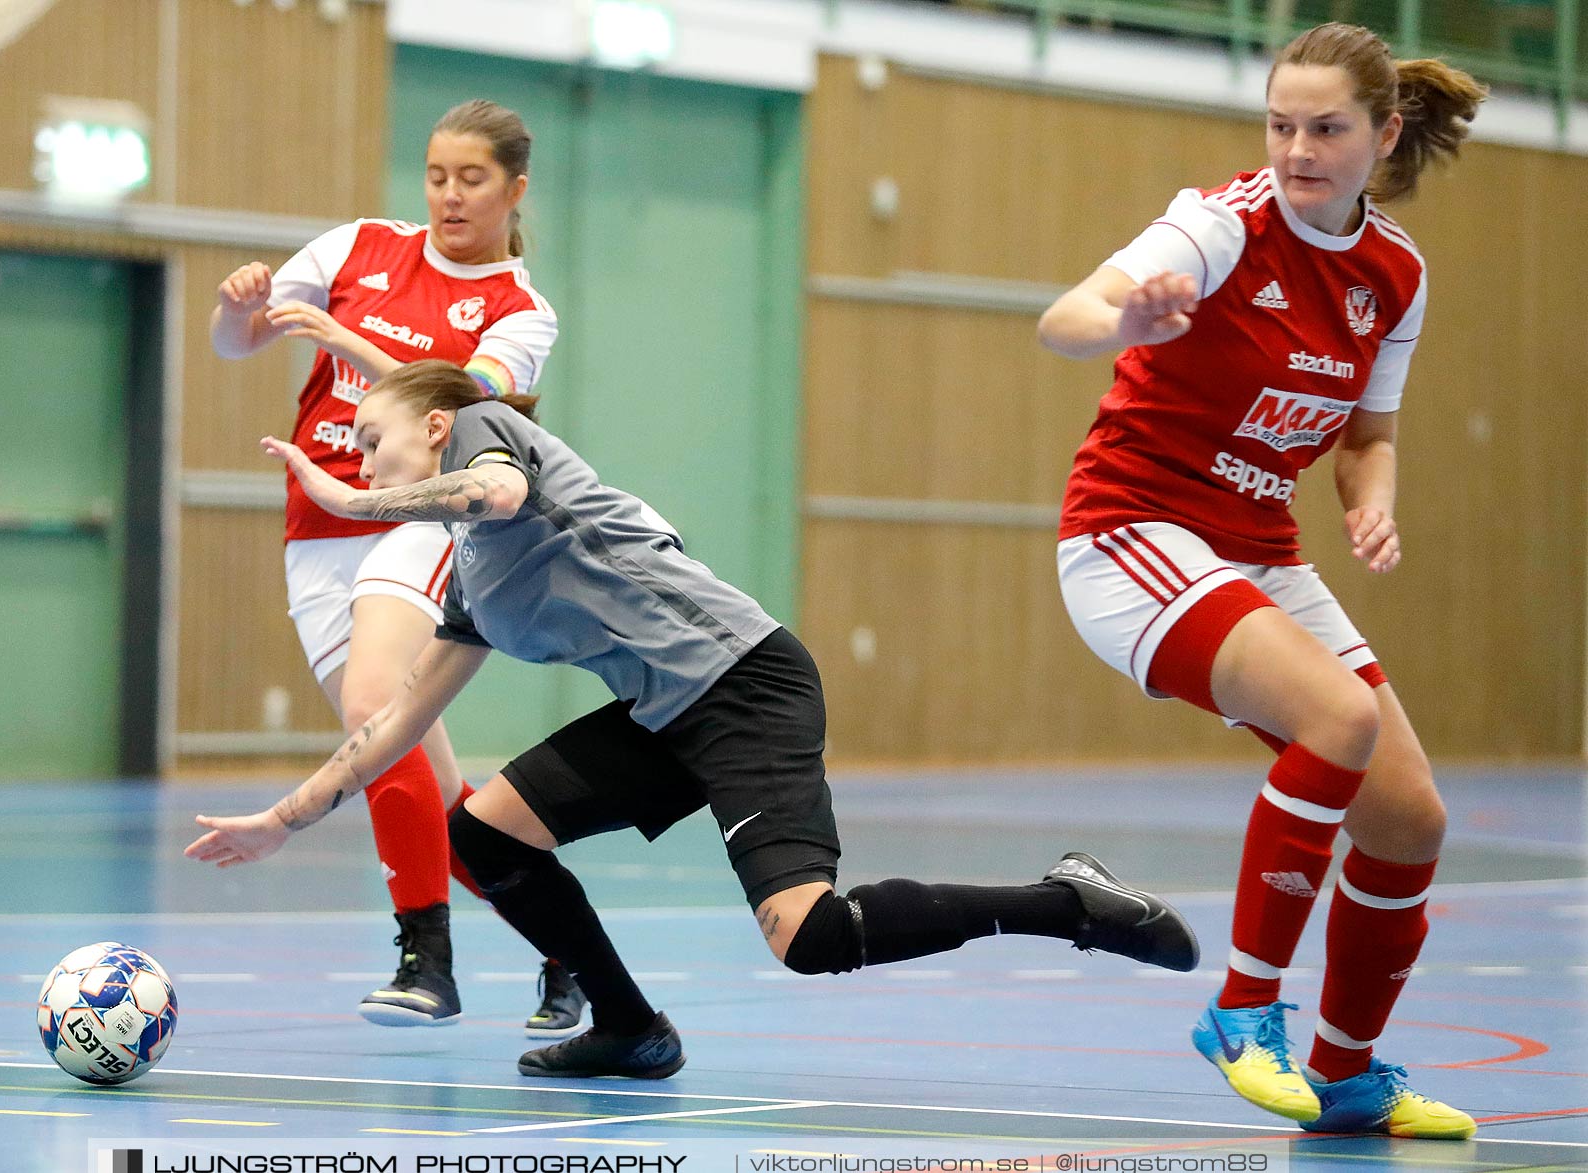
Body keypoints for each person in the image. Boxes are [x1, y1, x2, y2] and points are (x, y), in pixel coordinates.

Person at [184, 359, 1201, 1079]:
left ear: (436, 427)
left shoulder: (493, 436)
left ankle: (1066, 902)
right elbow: (402, 715)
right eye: (353, 456)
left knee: (812, 938)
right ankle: (629, 1029)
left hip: (745, 685)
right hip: (661, 717)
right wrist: (289, 816)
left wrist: (354, 505)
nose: (361, 463)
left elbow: (494, 493)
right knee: (484, 834)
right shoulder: (475, 586)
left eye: (372, 441)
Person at [1037, 23, 1486, 1140]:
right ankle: (1242, 1012)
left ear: (1382, 135)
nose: (1297, 150)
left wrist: (1369, 496)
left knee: (1409, 816)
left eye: (1325, 129)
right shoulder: (1221, 225)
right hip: (1132, 533)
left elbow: (1367, 434)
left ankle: (1346, 1077)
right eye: (1280, 125)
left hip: (1256, 547)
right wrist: (1125, 318)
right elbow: (1066, 318)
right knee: (1336, 720)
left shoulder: (1394, 276)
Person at [207, 99, 584, 1036]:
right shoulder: (357, 249)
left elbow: (461, 400)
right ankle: (570, 949)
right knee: (417, 783)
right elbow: (239, 341)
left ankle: (426, 960)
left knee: (377, 700)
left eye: (473, 179)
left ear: (515, 189)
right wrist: (234, 308)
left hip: (424, 516)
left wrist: (354, 349)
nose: (450, 197)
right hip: (319, 525)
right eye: (436, 176)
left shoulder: (519, 312)